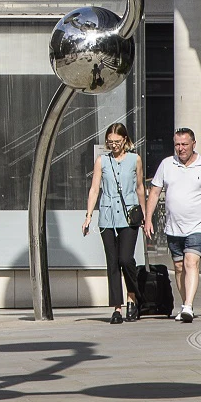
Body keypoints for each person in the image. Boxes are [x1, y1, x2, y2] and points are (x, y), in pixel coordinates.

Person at [144, 128, 201, 323]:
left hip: (198, 226)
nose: (180, 149)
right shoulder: (166, 164)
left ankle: (188, 305)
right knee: (179, 267)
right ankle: (185, 304)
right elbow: (154, 192)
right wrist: (148, 219)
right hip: (174, 227)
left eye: (184, 145)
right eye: (177, 145)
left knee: (191, 262)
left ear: (193, 144)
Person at [80, 122, 145, 324]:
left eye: (117, 141)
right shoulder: (102, 161)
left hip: (129, 215)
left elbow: (140, 188)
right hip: (107, 215)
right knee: (112, 262)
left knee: (125, 259)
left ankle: (133, 295)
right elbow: (94, 189)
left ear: (125, 140)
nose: (113, 145)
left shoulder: (135, 159)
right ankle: (117, 307)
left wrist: (145, 217)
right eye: (110, 141)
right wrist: (89, 215)